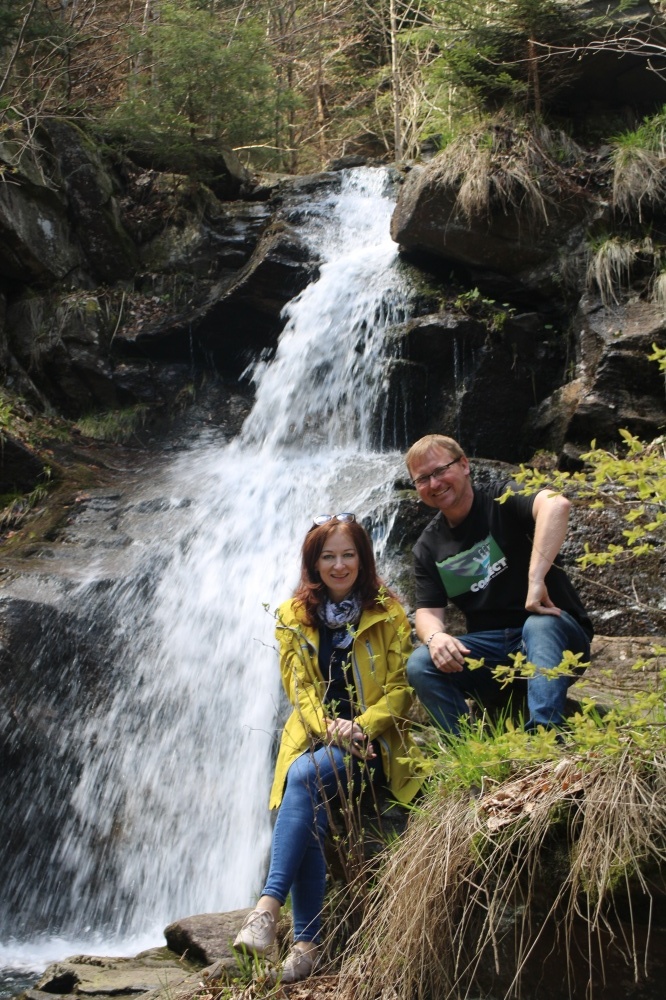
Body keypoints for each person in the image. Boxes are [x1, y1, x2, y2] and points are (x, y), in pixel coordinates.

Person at [232, 513, 422, 984]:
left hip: (373, 744)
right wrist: (332, 730)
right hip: (318, 738)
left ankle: (267, 909)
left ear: (363, 558)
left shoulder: (388, 612)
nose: (339, 565)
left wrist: (361, 726)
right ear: (313, 563)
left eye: (348, 555)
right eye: (328, 557)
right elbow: (299, 692)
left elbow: (401, 689)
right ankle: (306, 946)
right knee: (309, 801)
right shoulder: (292, 617)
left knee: (302, 778)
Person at [405, 434, 593, 735]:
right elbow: (427, 613)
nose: (434, 483)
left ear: (464, 465)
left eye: (440, 470)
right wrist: (435, 637)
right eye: (423, 478)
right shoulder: (428, 546)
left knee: (539, 625)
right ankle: (468, 748)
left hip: (557, 639)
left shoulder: (502, 498)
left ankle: (544, 737)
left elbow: (556, 505)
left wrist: (536, 578)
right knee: (420, 663)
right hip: (492, 656)